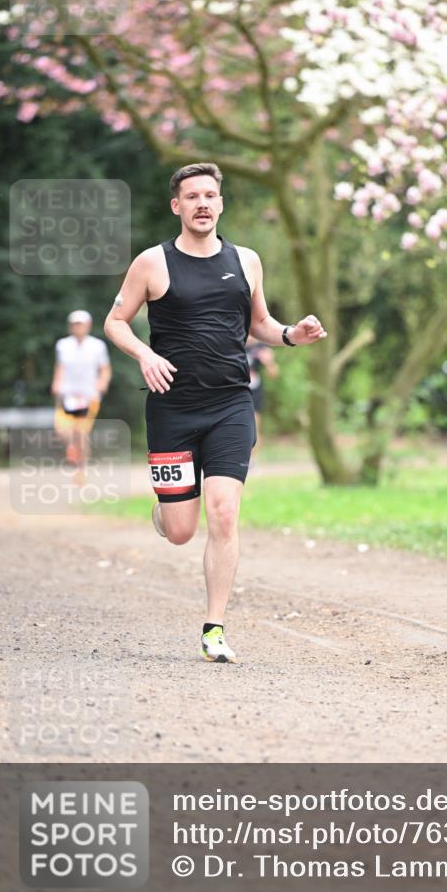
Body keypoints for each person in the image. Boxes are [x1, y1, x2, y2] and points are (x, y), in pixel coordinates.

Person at [104, 162, 326, 663]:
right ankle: (166, 510)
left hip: (231, 404)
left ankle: (214, 627)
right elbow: (115, 322)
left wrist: (292, 334)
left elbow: (261, 324)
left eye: (211, 195)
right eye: (193, 196)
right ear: (176, 206)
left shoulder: (246, 261)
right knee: (182, 531)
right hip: (172, 409)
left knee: (224, 513)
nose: (203, 203)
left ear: (221, 203)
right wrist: (145, 353)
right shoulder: (152, 263)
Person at [51, 310, 112, 483]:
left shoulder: (98, 346)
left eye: (81, 324)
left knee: (82, 432)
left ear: (88, 326)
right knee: (62, 430)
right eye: (75, 324)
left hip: (88, 395)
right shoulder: (62, 345)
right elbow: (60, 366)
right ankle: (72, 448)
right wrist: (56, 382)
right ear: (71, 327)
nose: (78, 327)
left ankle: (81, 470)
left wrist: (103, 382)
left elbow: (105, 369)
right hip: (67, 394)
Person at [246, 334, 279, 458]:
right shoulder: (236, 343)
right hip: (235, 392)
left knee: (254, 427)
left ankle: (252, 460)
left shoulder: (261, 347)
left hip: (254, 392)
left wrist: (269, 362)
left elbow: (274, 374)